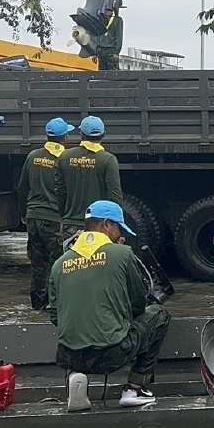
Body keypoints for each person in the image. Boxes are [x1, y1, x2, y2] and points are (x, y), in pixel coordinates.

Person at [48, 200, 170, 411]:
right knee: (159, 314)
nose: (120, 234)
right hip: (110, 355)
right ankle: (135, 388)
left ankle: (77, 378)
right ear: (105, 224)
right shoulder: (121, 254)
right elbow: (139, 302)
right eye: (118, 227)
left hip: (68, 355)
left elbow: (54, 314)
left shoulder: (60, 264)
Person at [18, 118, 74, 310]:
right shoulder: (65, 159)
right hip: (53, 219)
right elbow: (66, 191)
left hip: (33, 216)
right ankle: (53, 305)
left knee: (38, 263)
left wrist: (23, 213)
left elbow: (22, 187)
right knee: (57, 263)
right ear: (64, 137)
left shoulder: (33, 156)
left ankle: (36, 306)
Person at [57, 115, 124, 237]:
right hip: (98, 226)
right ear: (103, 135)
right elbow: (115, 196)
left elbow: (60, 192)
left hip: (71, 224)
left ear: (81, 135)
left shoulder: (65, 157)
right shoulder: (108, 160)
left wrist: (63, 215)